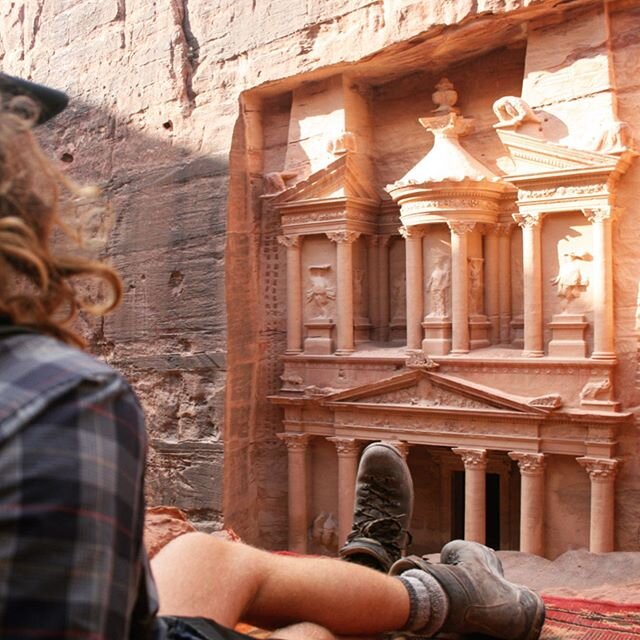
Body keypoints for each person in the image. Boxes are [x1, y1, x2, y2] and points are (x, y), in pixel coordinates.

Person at [0, 73, 545, 640]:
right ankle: (399, 594)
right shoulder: (53, 393)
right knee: (310, 633)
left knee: (207, 557)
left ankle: (399, 580)